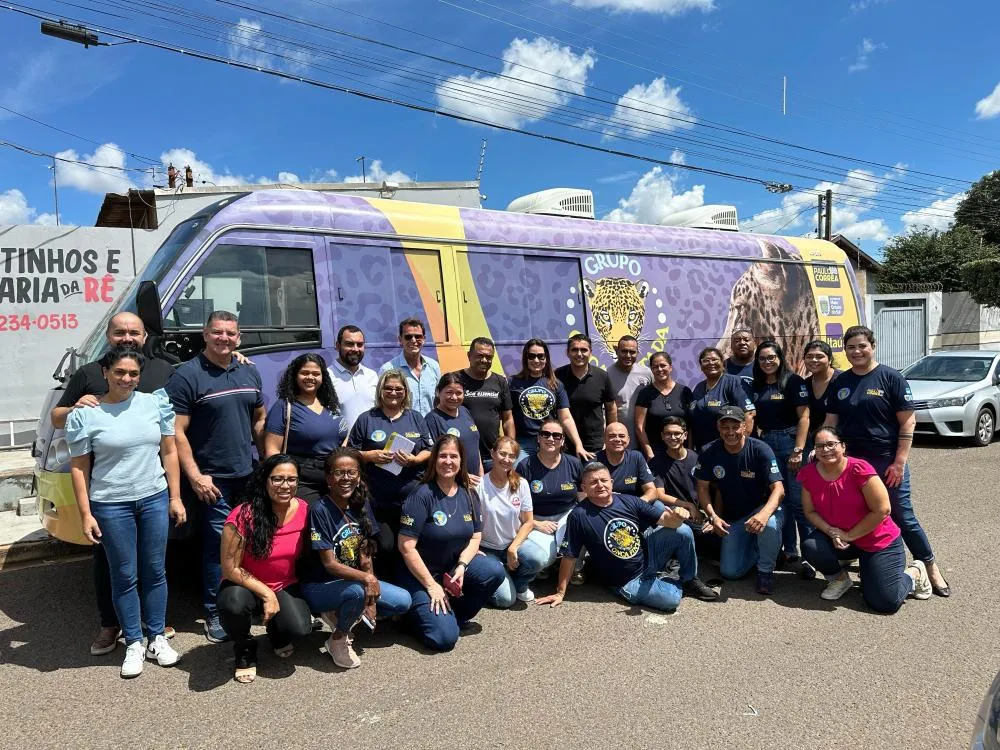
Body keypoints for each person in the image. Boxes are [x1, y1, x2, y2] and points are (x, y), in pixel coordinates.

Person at [50, 312, 177, 657]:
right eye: (120, 331)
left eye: (134, 332)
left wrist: (234, 357)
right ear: (109, 337)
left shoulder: (163, 370)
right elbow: (58, 418)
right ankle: (113, 625)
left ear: (145, 336)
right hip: (109, 494)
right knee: (113, 568)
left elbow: (172, 434)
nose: (127, 337)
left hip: (150, 489)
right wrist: (76, 407)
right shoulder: (88, 373)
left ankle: (154, 629)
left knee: (153, 567)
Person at [823, 325, 950, 596]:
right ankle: (865, 560)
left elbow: (908, 422)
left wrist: (899, 462)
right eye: (851, 347)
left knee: (902, 516)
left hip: (886, 462)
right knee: (857, 512)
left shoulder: (891, 378)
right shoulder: (841, 382)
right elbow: (831, 421)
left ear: (873, 346)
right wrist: (822, 447)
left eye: (862, 346)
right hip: (851, 464)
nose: (856, 351)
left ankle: (928, 566)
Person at [166, 311, 267, 644]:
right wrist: (196, 476)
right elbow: (176, 432)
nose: (224, 338)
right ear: (205, 334)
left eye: (230, 333)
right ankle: (214, 612)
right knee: (218, 546)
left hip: (247, 475)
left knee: (251, 542)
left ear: (239, 338)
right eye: (217, 332)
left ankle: (246, 601)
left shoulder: (249, 370)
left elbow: (259, 418)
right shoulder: (186, 376)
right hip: (213, 481)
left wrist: (266, 463)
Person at [535, 464, 708, 611]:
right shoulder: (579, 515)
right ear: (584, 487)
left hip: (648, 557)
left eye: (603, 480)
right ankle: (664, 578)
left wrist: (677, 516)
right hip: (626, 581)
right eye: (593, 482)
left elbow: (668, 522)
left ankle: (688, 580)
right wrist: (560, 592)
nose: (600, 485)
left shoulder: (629, 501)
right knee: (671, 600)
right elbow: (569, 555)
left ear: (611, 482)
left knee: (683, 531)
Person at [299, 448, 412, 668]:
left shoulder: (361, 503)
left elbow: (365, 552)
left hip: (353, 581)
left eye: (351, 472)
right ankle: (338, 638)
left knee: (403, 601)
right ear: (329, 478)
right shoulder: (319, 510)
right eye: (339, 473)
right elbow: (330, 564)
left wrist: (371, 592)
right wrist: (368, 580)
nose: (346, 478)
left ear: (359, 476)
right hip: (320, 584)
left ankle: (343, 611)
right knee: (357, 592)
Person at [798, 427, 932, 612]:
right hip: (843, 539)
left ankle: (915, 573)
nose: (826, 449)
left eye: (831, 444)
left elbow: (883, 509)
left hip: (877, 541)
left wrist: (849, 535)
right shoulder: (809, 473)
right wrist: (831, 531)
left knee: (884, 602)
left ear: (843, 446)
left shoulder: (859, 469)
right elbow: (810, 511)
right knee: (811, 546)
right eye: (820, 446)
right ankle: (840, 579)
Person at [397, 436, 506, 651]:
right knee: (444, 639)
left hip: (451, 570)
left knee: (493, 570)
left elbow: (476, 536)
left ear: (461, 460)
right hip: (420, 575)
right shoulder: (421, 495)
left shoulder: (469, 493)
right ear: (434, 460)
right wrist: (431, 585)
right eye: (442, 456)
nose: (448, 461)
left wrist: (463, 565)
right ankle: (414, 618)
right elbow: (406, 546)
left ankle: (453, 615)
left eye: (453, 456)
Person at [217, 455, 313, 684]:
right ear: (265, 480)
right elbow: (230, 568)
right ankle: (244, 648)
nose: (285, 485)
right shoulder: (243, 514)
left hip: (285, 584)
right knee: (233, 604)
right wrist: (267, 594)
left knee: (300, 629)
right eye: (277, 479)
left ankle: (276, 631)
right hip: (244, 584)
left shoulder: (305, 510)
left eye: (291, 479)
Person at [695, 406, 785, 595]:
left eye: (735, 427)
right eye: (725, 427)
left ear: (744, 426)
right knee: (730, 572)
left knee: (769, 526)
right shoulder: (709, 451)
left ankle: (765, 571)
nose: (730, 432)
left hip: (762, 509)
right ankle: (761, 548)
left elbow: (779, 489)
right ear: (718, 428)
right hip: (735, 518)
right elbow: (702, 488)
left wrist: (763, 515)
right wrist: (713, 517)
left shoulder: (760, 449)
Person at [348, 369, 432, 570]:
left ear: (405, 392)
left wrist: (414, 460)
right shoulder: (367, 418)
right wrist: (369, 456)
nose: (393, 392)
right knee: (386, 546)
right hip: (379, 499)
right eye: (388, 388)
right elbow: (349, 453)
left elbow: (430, 449)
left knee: (413, 545)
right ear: (380, 390)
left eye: (398, 389)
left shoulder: (415, 417)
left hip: (411, 498)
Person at [749, 341, 812, 565]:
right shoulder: (756, 385)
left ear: (780, 358)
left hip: (790, 442)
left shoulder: (793, 381)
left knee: (798, 500)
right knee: (779, 499)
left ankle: (810, 554)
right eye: (762, 358)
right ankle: (789, 550)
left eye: (771, 357)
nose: (767, 362)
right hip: (766, 443)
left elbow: (804, 417)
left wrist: (798, 450)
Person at [263, 354, 345, 503]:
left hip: (334, 476)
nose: (310, 377)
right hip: (302, 480)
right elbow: (272, 451)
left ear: (323, 377)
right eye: (305, 373)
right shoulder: (284, 406)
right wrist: (283, 480)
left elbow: (342, 435)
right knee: (311, 514)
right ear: (295, 375)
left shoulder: (330, 404)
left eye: (316, 374)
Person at [477, 436, 546, 607]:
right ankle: (491, 577)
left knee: (538, 558)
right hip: (487, 548)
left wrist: (513, 547)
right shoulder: (479, 486)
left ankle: (519, 583)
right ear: (492, 453)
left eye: (512, 456)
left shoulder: (521, 484)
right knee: (505, 600)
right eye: (502, 453)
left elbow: (528, 521)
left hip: (512, 543)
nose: (506, 459)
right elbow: (471, 524)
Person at [514, 418, 584, 577]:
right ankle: (548, 564)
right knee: (538, 558)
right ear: (538, 438)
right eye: (545, 434)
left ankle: (575, 566)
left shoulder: (573, 463)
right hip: (536, 518)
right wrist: (535, 523)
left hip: (566, 516)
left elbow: (583, 498)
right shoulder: (525, 465)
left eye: (556, 435)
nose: (551, 438)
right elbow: (515, 505)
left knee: (583, 521)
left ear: (563, 440)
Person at [649, 417, 720, 562]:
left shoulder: (697, 457)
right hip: (676, 512)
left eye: (677, 433)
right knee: (699, 533)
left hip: (701, 512)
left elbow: (714, 490)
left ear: (685, 435)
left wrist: (713, 517)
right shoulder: (656, 462)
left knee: (718, 536)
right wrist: (688, 506)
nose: (672, 437)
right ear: (662, 436)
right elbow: (659, 494)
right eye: (668, 433)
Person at [508, 339, 588, 461]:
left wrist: (578, 445)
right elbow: (507, 417)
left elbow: (565, 418)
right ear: (525, 358)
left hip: (549, 440)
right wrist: (511, 444)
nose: (536, 360)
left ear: (546, 359)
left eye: (541, 356)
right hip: (523, 443)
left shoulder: (556, 384)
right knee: (520, 471)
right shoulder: (512, 383)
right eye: (531, 356)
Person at [452, 337, 514, 468]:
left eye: (489, 357)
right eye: (479, 356)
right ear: (469, 356)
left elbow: (508, 419)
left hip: (493, 456)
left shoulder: (500, 382)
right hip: (462, 456)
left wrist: (511, 446)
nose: (484, 360)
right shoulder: (455, 379)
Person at [555, 334, 616, 459]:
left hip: (595, 445)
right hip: (563, 445)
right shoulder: (557, 376)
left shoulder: (602, 376)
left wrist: (610, 437)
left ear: (590, 352)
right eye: (574, 350)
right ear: (567, 353)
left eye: (584, 350)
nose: (579, 354)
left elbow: (611, 408)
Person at [688, 347, 756, 452]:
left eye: (714, 359)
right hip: (703, 450)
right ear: (701, 366)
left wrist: (740, 446)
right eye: (706, 360)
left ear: (723, 363)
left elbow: (749, 413)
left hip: (729, 449)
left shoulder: (733, 382)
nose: (710, 363)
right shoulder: (698, 387)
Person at [425, 373, 484, 482]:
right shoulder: (432, 419)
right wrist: (462, 476)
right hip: (452, 483)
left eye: (459, 393)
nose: (454, 397)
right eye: (449, 392)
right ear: (438, 392)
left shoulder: (464, 411)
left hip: (475, 481)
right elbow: (434, 457)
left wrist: (481, 473)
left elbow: (475, 445)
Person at [634, 352, 693, 459]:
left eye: (663, 365)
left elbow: (691, 425)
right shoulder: (645, 393)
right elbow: (639, 427)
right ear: (651, 370)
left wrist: (689, 451)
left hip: (682, 453)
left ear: (670, 367)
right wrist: (650, 454)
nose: (659, 369)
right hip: (656, 453)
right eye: (655, 367)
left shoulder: (685, 391)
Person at [379, 318, 441, 416]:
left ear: (424, 339)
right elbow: (381, 403)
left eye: (418, 337)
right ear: (400, 340)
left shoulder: (434, 367)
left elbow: (439, 400)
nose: (413, 340)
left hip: (429, 425)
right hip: (401, 425)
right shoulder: (388, 369)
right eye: (408, 337)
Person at [329, 325, 379, 432]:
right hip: (341, 441)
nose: (355, 349)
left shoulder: (372, 376)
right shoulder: (327, 377)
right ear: (338, 346)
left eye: (359, 344)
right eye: (349, 344)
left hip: (372, 439)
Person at [595, 422, 657, 501]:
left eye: (622, 436)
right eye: (612, 436)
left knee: (658, 506)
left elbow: (652, 490)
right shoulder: (595, 462)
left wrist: (639, 503)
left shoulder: (636, 457)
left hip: (636, 502)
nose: (617, 439)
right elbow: (586, 495)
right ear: (604, 439)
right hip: (606, 504)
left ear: (628, 439)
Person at [606, 335, 652, 440]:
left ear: (637, 353)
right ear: (616, 351)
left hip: (645, 438)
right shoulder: (606, 375)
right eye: (624, 351)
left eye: (632, 352)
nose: (628, 355)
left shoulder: (647, 373)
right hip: (619, 440)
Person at [803, 339, 840, 437]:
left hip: (840, 439)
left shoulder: (842, 380)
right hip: (814, 440)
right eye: (809, 357)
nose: (814, 360)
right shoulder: (805, 384)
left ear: (830, 359)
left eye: (819, 356)